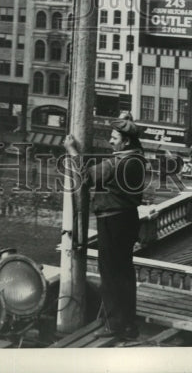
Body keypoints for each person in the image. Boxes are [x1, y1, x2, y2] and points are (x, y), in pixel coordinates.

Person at [64, 118, 147, 342]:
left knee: (110, 275)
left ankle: (113, 325)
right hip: (128, 219)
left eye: (114, 138)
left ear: (126, 141)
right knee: (124, 274)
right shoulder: (137, 157)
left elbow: (86, 177)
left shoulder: (117, 164)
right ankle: (128, 325)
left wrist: (73, 152)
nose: (110, 140)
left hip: (112, 221)